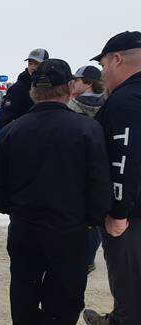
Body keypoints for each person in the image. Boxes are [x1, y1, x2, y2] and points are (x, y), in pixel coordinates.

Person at [0, 59, 111, 325]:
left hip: (26, 227)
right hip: (69, 230)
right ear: (68, 89)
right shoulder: (86, 130)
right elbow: (99, 185)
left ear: (33, 92)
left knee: (24, 292)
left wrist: (12, 209)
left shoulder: (14, 130)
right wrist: (91, 221)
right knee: (64, 296)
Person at [83, 31, 141, 325]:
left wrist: (118, 211)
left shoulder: (125, 100)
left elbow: (125, 156)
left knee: (132, 292)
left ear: (117, 59)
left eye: (103, 64)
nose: (102, 72)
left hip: (132, 218)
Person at [66, 65, 107, 274]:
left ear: (88, 83)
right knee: (95, 217)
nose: (73, 82)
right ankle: (88, 258)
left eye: (78, 80)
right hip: (99, 168)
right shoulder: (109, 105)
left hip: (76, 169)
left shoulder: (73, 107)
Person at [0, 48, 50, 128]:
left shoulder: (51, 86)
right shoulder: (17, 89)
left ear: (46, 65)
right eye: (30, 63)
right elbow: (5, 119)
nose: (32, 67)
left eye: (36, 64)